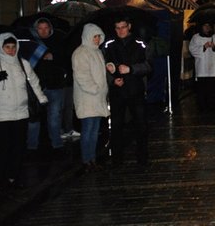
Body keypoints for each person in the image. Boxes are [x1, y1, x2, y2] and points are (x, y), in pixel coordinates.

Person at [0, 33, 48, 189]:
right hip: (1, 115)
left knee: (19, 147)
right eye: (7, 47)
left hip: (21, 113)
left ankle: (14, 176)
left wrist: (42, 99)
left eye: (13, 47)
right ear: (0, 47)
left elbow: (34, 82)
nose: (11, 50)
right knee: (3, 148)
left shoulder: (23, 63)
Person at [104, 16, 152, 165]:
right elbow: (103, 64)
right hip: (117, 91)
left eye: (123, 27)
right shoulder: (108, 45)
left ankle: (142, 157)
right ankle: (117, 158)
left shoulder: (140, 44)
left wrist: (131, 69)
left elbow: (149, 65)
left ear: (129, 26)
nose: (121, 30)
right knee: (117, 125)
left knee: (140, 124)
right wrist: (112, 77)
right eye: (117, 27)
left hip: (135, 89)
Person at [27, 18, 69, 155]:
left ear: (50, 28)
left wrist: (54, 57)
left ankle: (56, 144)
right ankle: (32, 146)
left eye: (46, 28)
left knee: (54, 117)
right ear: (36, 29)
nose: (43, 31)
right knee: (34, 118)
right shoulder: (32, 44)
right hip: (37, 87)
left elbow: (65, 60)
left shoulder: (59, 41)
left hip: (55, 85)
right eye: (40, 28)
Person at [72, 24, 109, 171]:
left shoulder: (97, 52)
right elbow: (82, 76)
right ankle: (86, 160)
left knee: (94, 130)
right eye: (95, 36)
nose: (97, 39)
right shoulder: (81, 53)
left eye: (99, 36)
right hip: (87, 98)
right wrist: (95, 89)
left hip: (97, 98)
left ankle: (92, 158)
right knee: (88, 129)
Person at [189, 23, 215, 109]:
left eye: (209, 26)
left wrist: (214, 47)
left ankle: (212, 105)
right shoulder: (196, 37)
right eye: (205, 26)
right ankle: (202, 106)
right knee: (202, 89)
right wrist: (203, 47)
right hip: (201, 67)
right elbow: (192, 49)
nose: (207, 28)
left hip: (212, 66)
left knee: (212, 88)